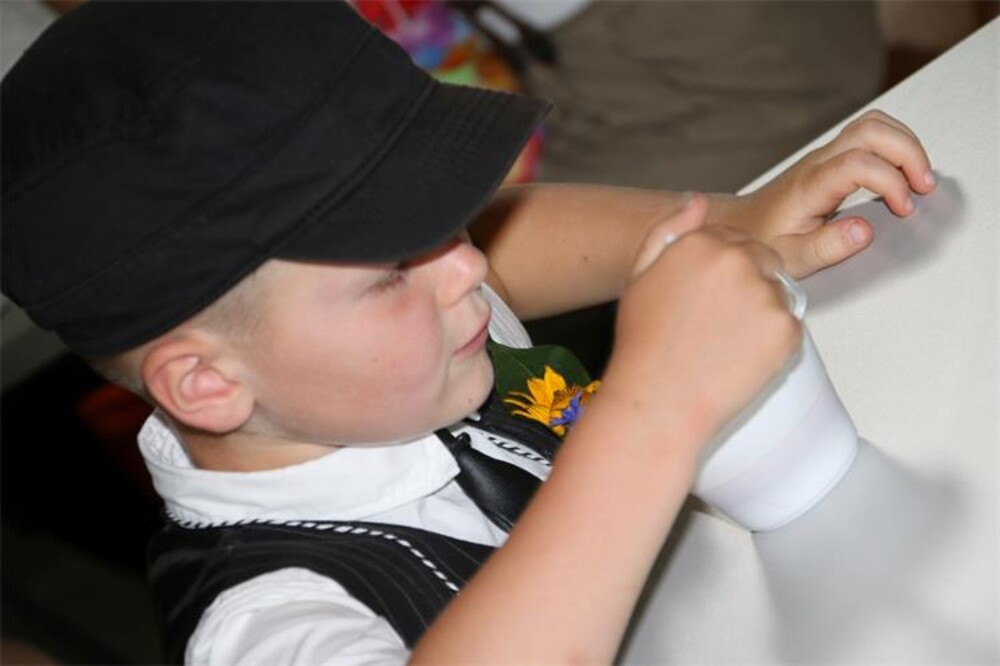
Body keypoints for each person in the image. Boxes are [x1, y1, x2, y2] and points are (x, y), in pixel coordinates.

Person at [0, 2, 935, 664]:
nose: (467, 267)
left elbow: (512, 244)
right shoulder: (267, 620)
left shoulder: (399, 334)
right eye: (390, 268)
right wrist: (657, 405)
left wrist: (730, 216)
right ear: (207, 384)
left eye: (440, 218)